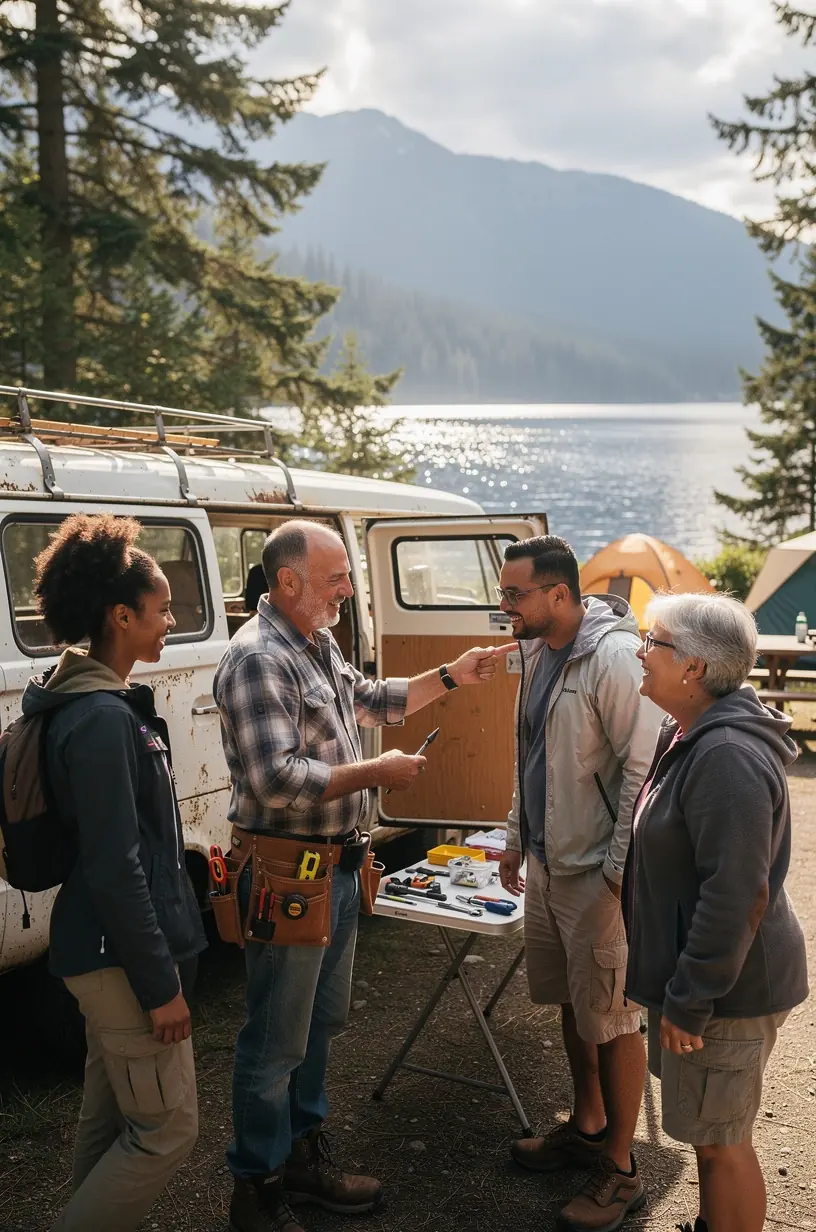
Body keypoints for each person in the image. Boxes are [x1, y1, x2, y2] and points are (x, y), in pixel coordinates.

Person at [214, 519, 515, 1232]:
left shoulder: (313, 641)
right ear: (288, 583)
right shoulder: (259, 657)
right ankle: (255, 1189)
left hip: (335, 871)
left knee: (322, 1022)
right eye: (336, 578)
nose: (348, 589)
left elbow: (374, 700)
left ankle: (303, 1160)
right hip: (289, 874)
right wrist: (378, 771)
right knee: (275, 1040)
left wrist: (454, 673)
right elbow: (276, 780)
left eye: (347, 575)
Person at [28, 514, 206, 1232]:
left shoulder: (97, 702)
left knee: (109, 1125)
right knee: (167, 1130)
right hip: (119, 962)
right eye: (162, 610)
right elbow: (113, 866)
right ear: (121, 615)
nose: (171, 622)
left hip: (101, 952)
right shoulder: (99, 718)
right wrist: (160, 986)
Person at [625, 592, 809, 1232]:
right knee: (708, 1130)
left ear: (694, 668)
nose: (641, 653)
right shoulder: (691, 730)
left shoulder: (724, 752)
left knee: (723, 1140)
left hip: (727, 991)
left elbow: (735, 894)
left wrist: (691, 996)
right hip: (713, 981)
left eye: (654, 642)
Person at [497, 535, 661, 1232]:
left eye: (515, 595)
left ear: (559, 595)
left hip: (599, 873)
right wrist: (514, 836)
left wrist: (620, 867)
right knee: (574, 1000)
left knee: (617, 1016)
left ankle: (620, 1171)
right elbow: (528, 749)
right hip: (548, 859)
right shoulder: (537, 648)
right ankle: (589, 1125)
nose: (504, 606)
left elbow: (641, 770)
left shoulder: (615, 657)